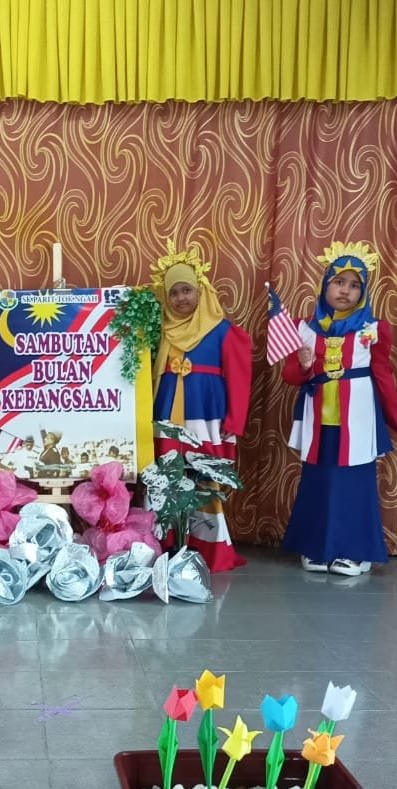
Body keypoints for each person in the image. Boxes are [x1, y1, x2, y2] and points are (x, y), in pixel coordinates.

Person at [279, 241, 397, 576]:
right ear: (325, 285)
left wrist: (394, 418)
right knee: (318, 481)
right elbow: (290, 376)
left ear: (363, 293)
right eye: (339, 282)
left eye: (354, 285)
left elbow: (382, 373)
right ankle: (317, 547)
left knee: (354, 484)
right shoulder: (305, 328)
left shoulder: (373, 330)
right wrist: (304, 364)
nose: (345, 290)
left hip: (358, 420)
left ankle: (356, 552)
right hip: (318, 418)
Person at [149, 241, 254, 572]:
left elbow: (239, 380)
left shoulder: (222, 331)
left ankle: (209, 549)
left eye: (187, 290)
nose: (181, 298)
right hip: (167, 418)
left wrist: (234, 421)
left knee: (204, 480)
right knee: (167, 479)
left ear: (201, 291)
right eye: (174, 293)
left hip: (205, 418)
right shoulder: (160, 331)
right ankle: (167, 544)